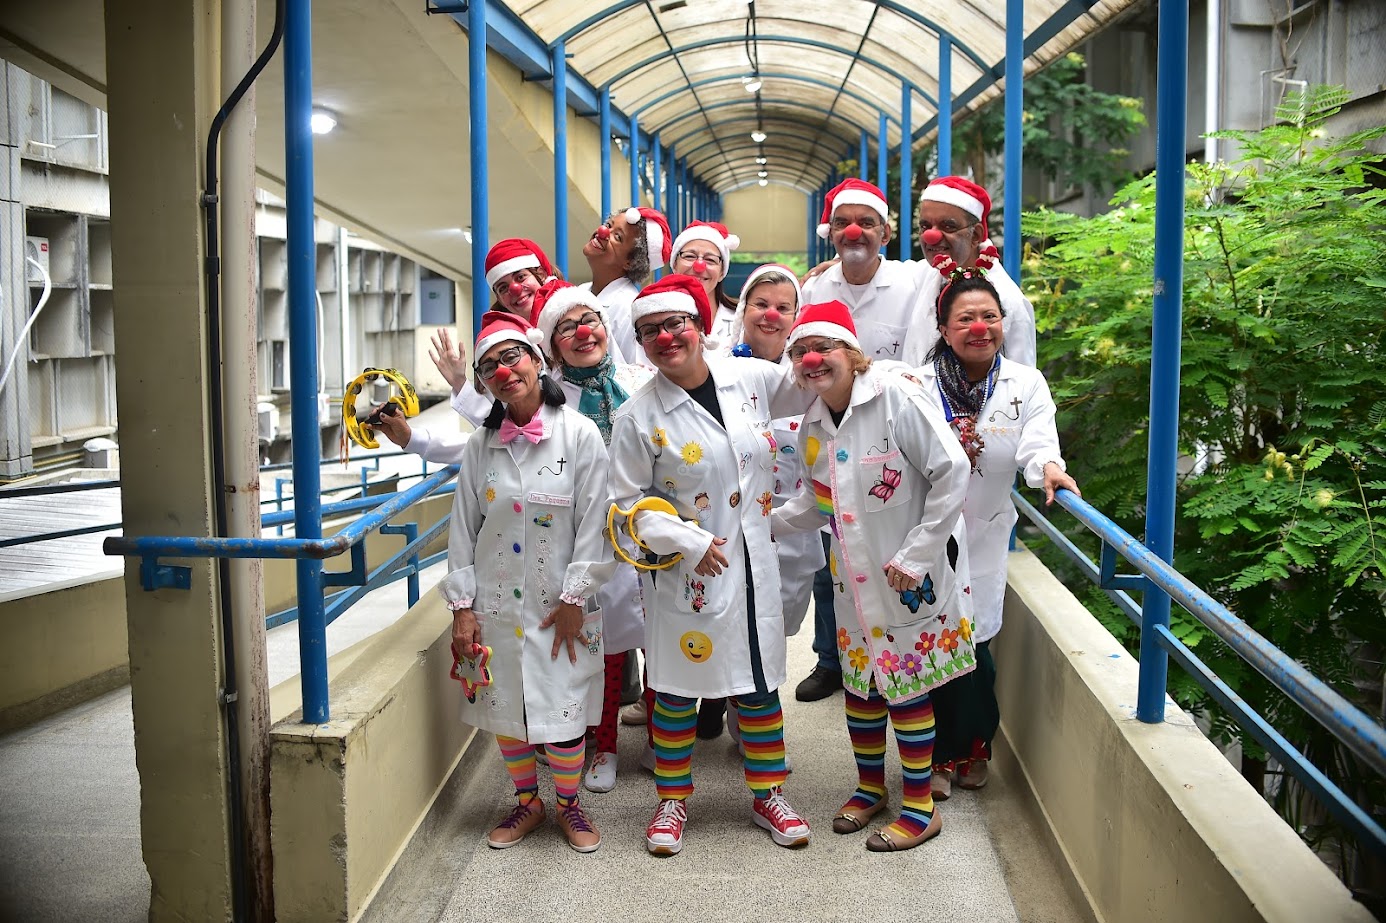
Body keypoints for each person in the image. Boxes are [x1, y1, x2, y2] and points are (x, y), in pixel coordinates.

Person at [608, 274, 814, 856]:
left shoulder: (751, 378)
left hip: (754, 561)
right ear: (642, 344)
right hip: (685, 573)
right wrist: (687, 540)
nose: (666, 338)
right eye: (650, 332)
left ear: (699, 326)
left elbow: (814, 383)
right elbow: (625, 507)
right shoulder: (637, 417)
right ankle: (671, 802)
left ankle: (768, 793)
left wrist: (885, 373)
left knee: (759, 682)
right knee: (675, 688)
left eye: (676, 324)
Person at [772, 300, 976, 852]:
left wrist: (918, 554)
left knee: (906, 688)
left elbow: (952, 471)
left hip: (911, 578)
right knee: (862, 690)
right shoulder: (814, 422)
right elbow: (818, 504)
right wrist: (759, 525)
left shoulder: (896, 398)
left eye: (824, 348)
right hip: (852, 585)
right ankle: (869, 789)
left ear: (853, 354)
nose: (813, 360)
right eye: (801, 352)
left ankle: (919, 804)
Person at [439, 311, 613, 853]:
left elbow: (596, 519)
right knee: (506, 710)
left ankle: (568, 805)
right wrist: (462, 607)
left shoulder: (580, 434)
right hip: (495, 605)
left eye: (511, 357)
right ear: (484, 383)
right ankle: (527, 803)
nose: (503, 371)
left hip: (558, 604)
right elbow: (463, 527)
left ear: (537, 361)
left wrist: (574, 599)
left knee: (562, 710)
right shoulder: (479, 447)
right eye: (489, 366)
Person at [915, 273, 1078, 797]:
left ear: (1004, 324)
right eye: (965, 318)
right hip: (924, 535)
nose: (979, 327)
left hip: (983, 533)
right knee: (933, 644)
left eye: (989, 316)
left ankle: (974, 747)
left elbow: (1037, 441)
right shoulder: (916, 385)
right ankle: (936, 758)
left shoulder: (1026, 384)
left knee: (976, 645)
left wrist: (1049, 468)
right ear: (943, 327)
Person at [796, 178, 925, 703]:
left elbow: (970, 273)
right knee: (832, 560)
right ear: (830, 233)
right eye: (845, 221)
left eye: (867, 222)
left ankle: (903, 659)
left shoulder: (913, 282)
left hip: (893, 434)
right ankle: (832, 659)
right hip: (832, 431)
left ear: (886, 231)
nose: (856, 231)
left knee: (892, 555)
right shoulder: (815, 288)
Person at [527, 280, 653, 792]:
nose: (583, 332)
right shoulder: (550, 401)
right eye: (566, 327)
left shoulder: (642, 379)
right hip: (588, 538)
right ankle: (604, 747)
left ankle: (664, 741)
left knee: (660, 641)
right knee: (605, 645)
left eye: (590, 321)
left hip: (650, 528)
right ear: (553, 344)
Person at [719, 264, 825, 757]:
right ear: (743, 310)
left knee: (775, 627)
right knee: (729, 620)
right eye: (761, 303)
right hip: (727, 527)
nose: (771, 314)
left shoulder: (812, 374)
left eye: (784, 307)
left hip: (793, 527)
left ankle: (751, 709)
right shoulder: (716, 371)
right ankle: (738, 708)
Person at [901, 177, 1037, 367]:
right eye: (925, 226)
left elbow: (1022, 380)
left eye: (948, 226)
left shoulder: (1009, 300)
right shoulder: (923, 275)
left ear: (976, 235)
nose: (931, 237)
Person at [579, 206, 672, 365]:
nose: (602, 231)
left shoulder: (629, 310)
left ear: (630, 262)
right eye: (608, 225)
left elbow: (638, 374)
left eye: (617, 237)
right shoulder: (581, 291)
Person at [669, 220, 741, 342]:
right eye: (689, 256)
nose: (699, 266)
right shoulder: (655, 318)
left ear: (722, 272)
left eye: (710, 260)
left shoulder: (741, 323)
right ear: (675, 264)